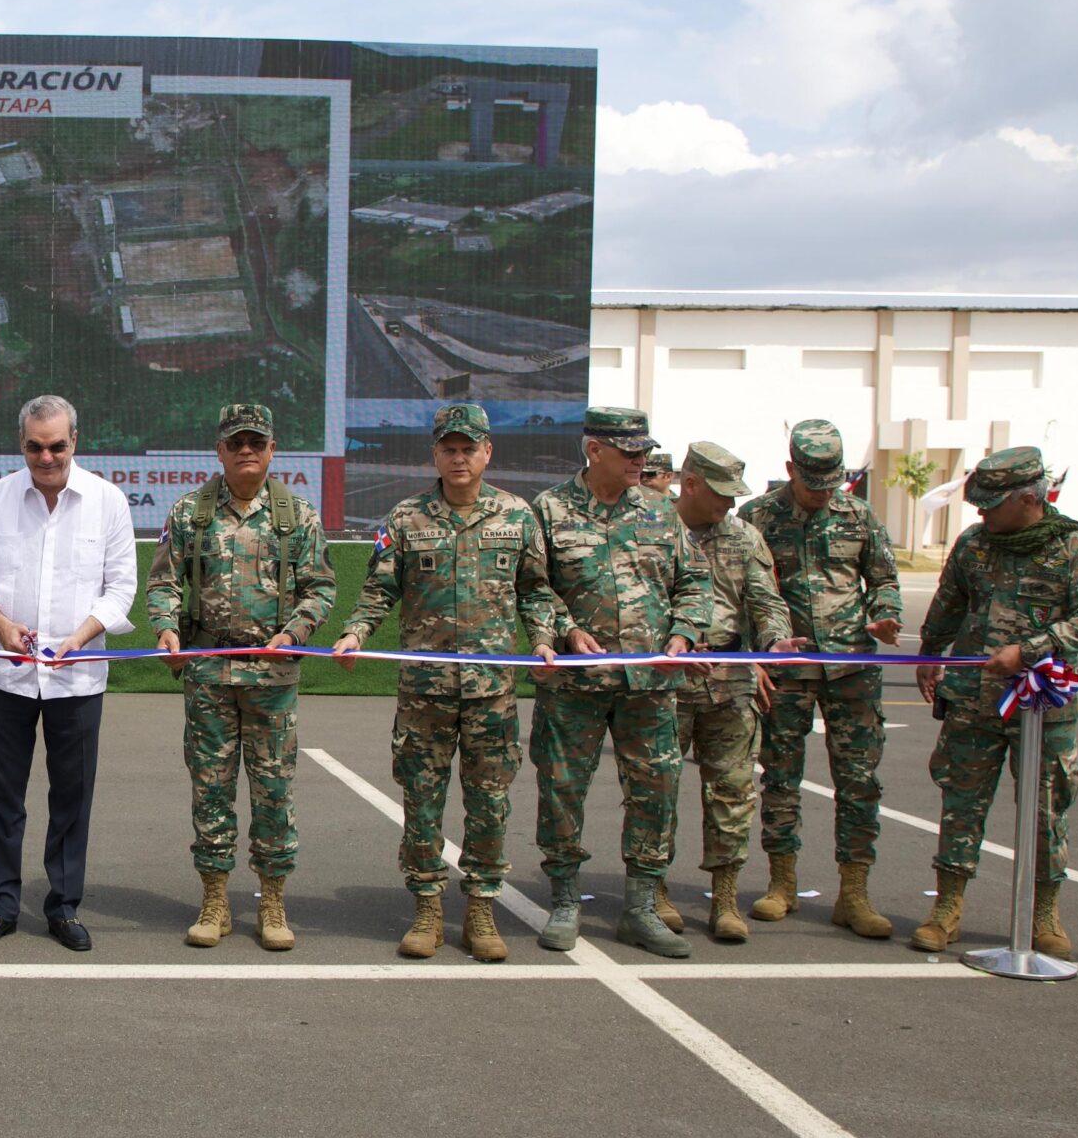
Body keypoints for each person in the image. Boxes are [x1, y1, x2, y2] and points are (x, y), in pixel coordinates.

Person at [333, 402, 556, 961]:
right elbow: (379, 590)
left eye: (469, 448)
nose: (459, 457)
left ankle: (480, 909)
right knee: (422, 803)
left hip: (491, 693)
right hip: (425, 694)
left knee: (488, 804)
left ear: (487, 452)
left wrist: (546, 637)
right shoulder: (406, 518)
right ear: (435, 453)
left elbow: (536, 591)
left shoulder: (518, 516)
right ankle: (428, 908)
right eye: (449, 448)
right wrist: (357, 632)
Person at [143, 403, 336, 952]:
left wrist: (297, 632)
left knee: (273, 792)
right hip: (207, 675)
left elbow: (320, 587)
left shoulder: (296, 514)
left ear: (273, 450)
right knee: (211, 791)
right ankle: (215, 900)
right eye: (236, 443)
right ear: (219, 450)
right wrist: (165, 630)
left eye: (256, 442)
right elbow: (163, 585)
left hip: (272, 679)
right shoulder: (189, 514)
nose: (246, 451)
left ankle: (272, 900)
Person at [912, 448, 1078, 955]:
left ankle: (1044, 914)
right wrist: (930, 651)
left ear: (1030, 498)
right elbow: (949, 601)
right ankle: (947, 908)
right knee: (960, 804)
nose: (981, 513)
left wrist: (1029, 650)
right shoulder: (974, 543)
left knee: (1047, 807)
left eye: (992, 504)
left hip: (1042, 702)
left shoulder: (1076, 547)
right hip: (973, 700)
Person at [0, 394, 137, 952]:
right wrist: (0, 623)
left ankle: (63, 906)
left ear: (74, 442)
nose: (47, 457)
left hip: (77, 678)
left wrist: (82, 637)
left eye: (57, 445)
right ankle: (1, 905)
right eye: (35, 446)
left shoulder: (107, 502)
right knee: (1, 795)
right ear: (22, 444)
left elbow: (121, 589)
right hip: (6, 675)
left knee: (71, 797)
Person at [530, 406, 711, 957]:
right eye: (629, 452)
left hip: (649, 687)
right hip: (575, 690)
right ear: (594, 451)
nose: (641, 461)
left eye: (644, 452)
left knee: (656, 792)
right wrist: (564, 627)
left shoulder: (660, 512)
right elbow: (533, 586)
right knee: (562, 791)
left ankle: (641, 905)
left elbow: (694, 582)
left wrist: (685, 632)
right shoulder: (551, 510)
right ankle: (564, 900)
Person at [740, 418, 902, 935]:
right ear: (790, 469)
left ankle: (853, 893)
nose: (822, 494)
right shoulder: (757, 517)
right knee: (780, 778)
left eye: (832, 483)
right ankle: (781, 883)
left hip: (852, 665)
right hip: (788, 665)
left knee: (858, 781)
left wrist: (886, 613)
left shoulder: (859, 516)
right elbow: (741, 591)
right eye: (813, 483)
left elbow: (884, 578)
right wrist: (755, 655)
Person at [669, 443, 798, 944]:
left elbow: (766, 602)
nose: (729, 503)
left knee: (733, 792)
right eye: (720, 493)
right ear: (691, 484)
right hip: (671, 677)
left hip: (730, 676)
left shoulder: (745, 538)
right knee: (655, 794)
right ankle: (654, 891)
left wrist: (773, 642)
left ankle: (725, 897)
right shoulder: (657, 530)